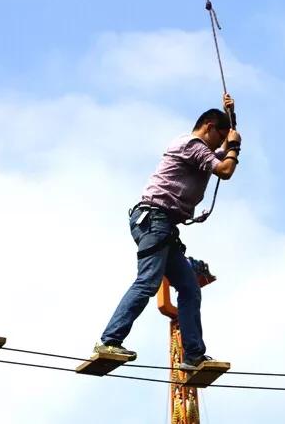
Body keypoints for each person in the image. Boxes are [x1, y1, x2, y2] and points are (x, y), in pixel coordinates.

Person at [95, 93, 241, 371]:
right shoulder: (191, 145)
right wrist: (232, 147)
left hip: (163, 225)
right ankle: (109, 340)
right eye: (218, 138)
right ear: (209, 127)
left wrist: (232, 120)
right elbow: (225, 168)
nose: (219, 145)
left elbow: (228, 152)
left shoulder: (201, 148)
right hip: (155, 219)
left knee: (189, 288)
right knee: (148, 282)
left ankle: (193, 356)